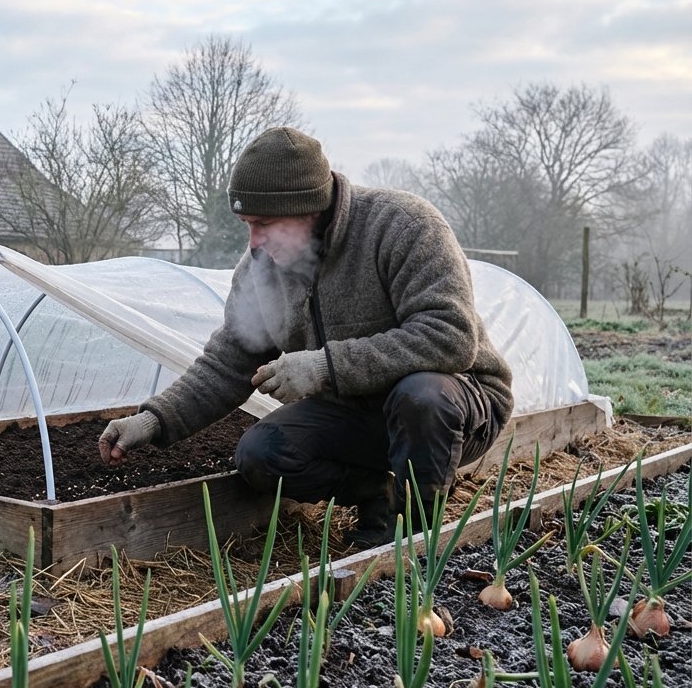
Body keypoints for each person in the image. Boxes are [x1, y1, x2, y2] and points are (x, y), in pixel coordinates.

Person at [97, 126, 513, 548]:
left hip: (457, 409)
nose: (254, 241)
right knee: (260, 453)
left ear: (309, 208)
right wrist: (153, 420)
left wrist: (324, 367)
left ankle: (419, 536)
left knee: (420, 395)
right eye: (246, 224)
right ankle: (378, 498)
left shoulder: (403, 226)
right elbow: (228, 363)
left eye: (265, 224)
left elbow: (451, 337)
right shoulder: (261, 267)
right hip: (361, 416)